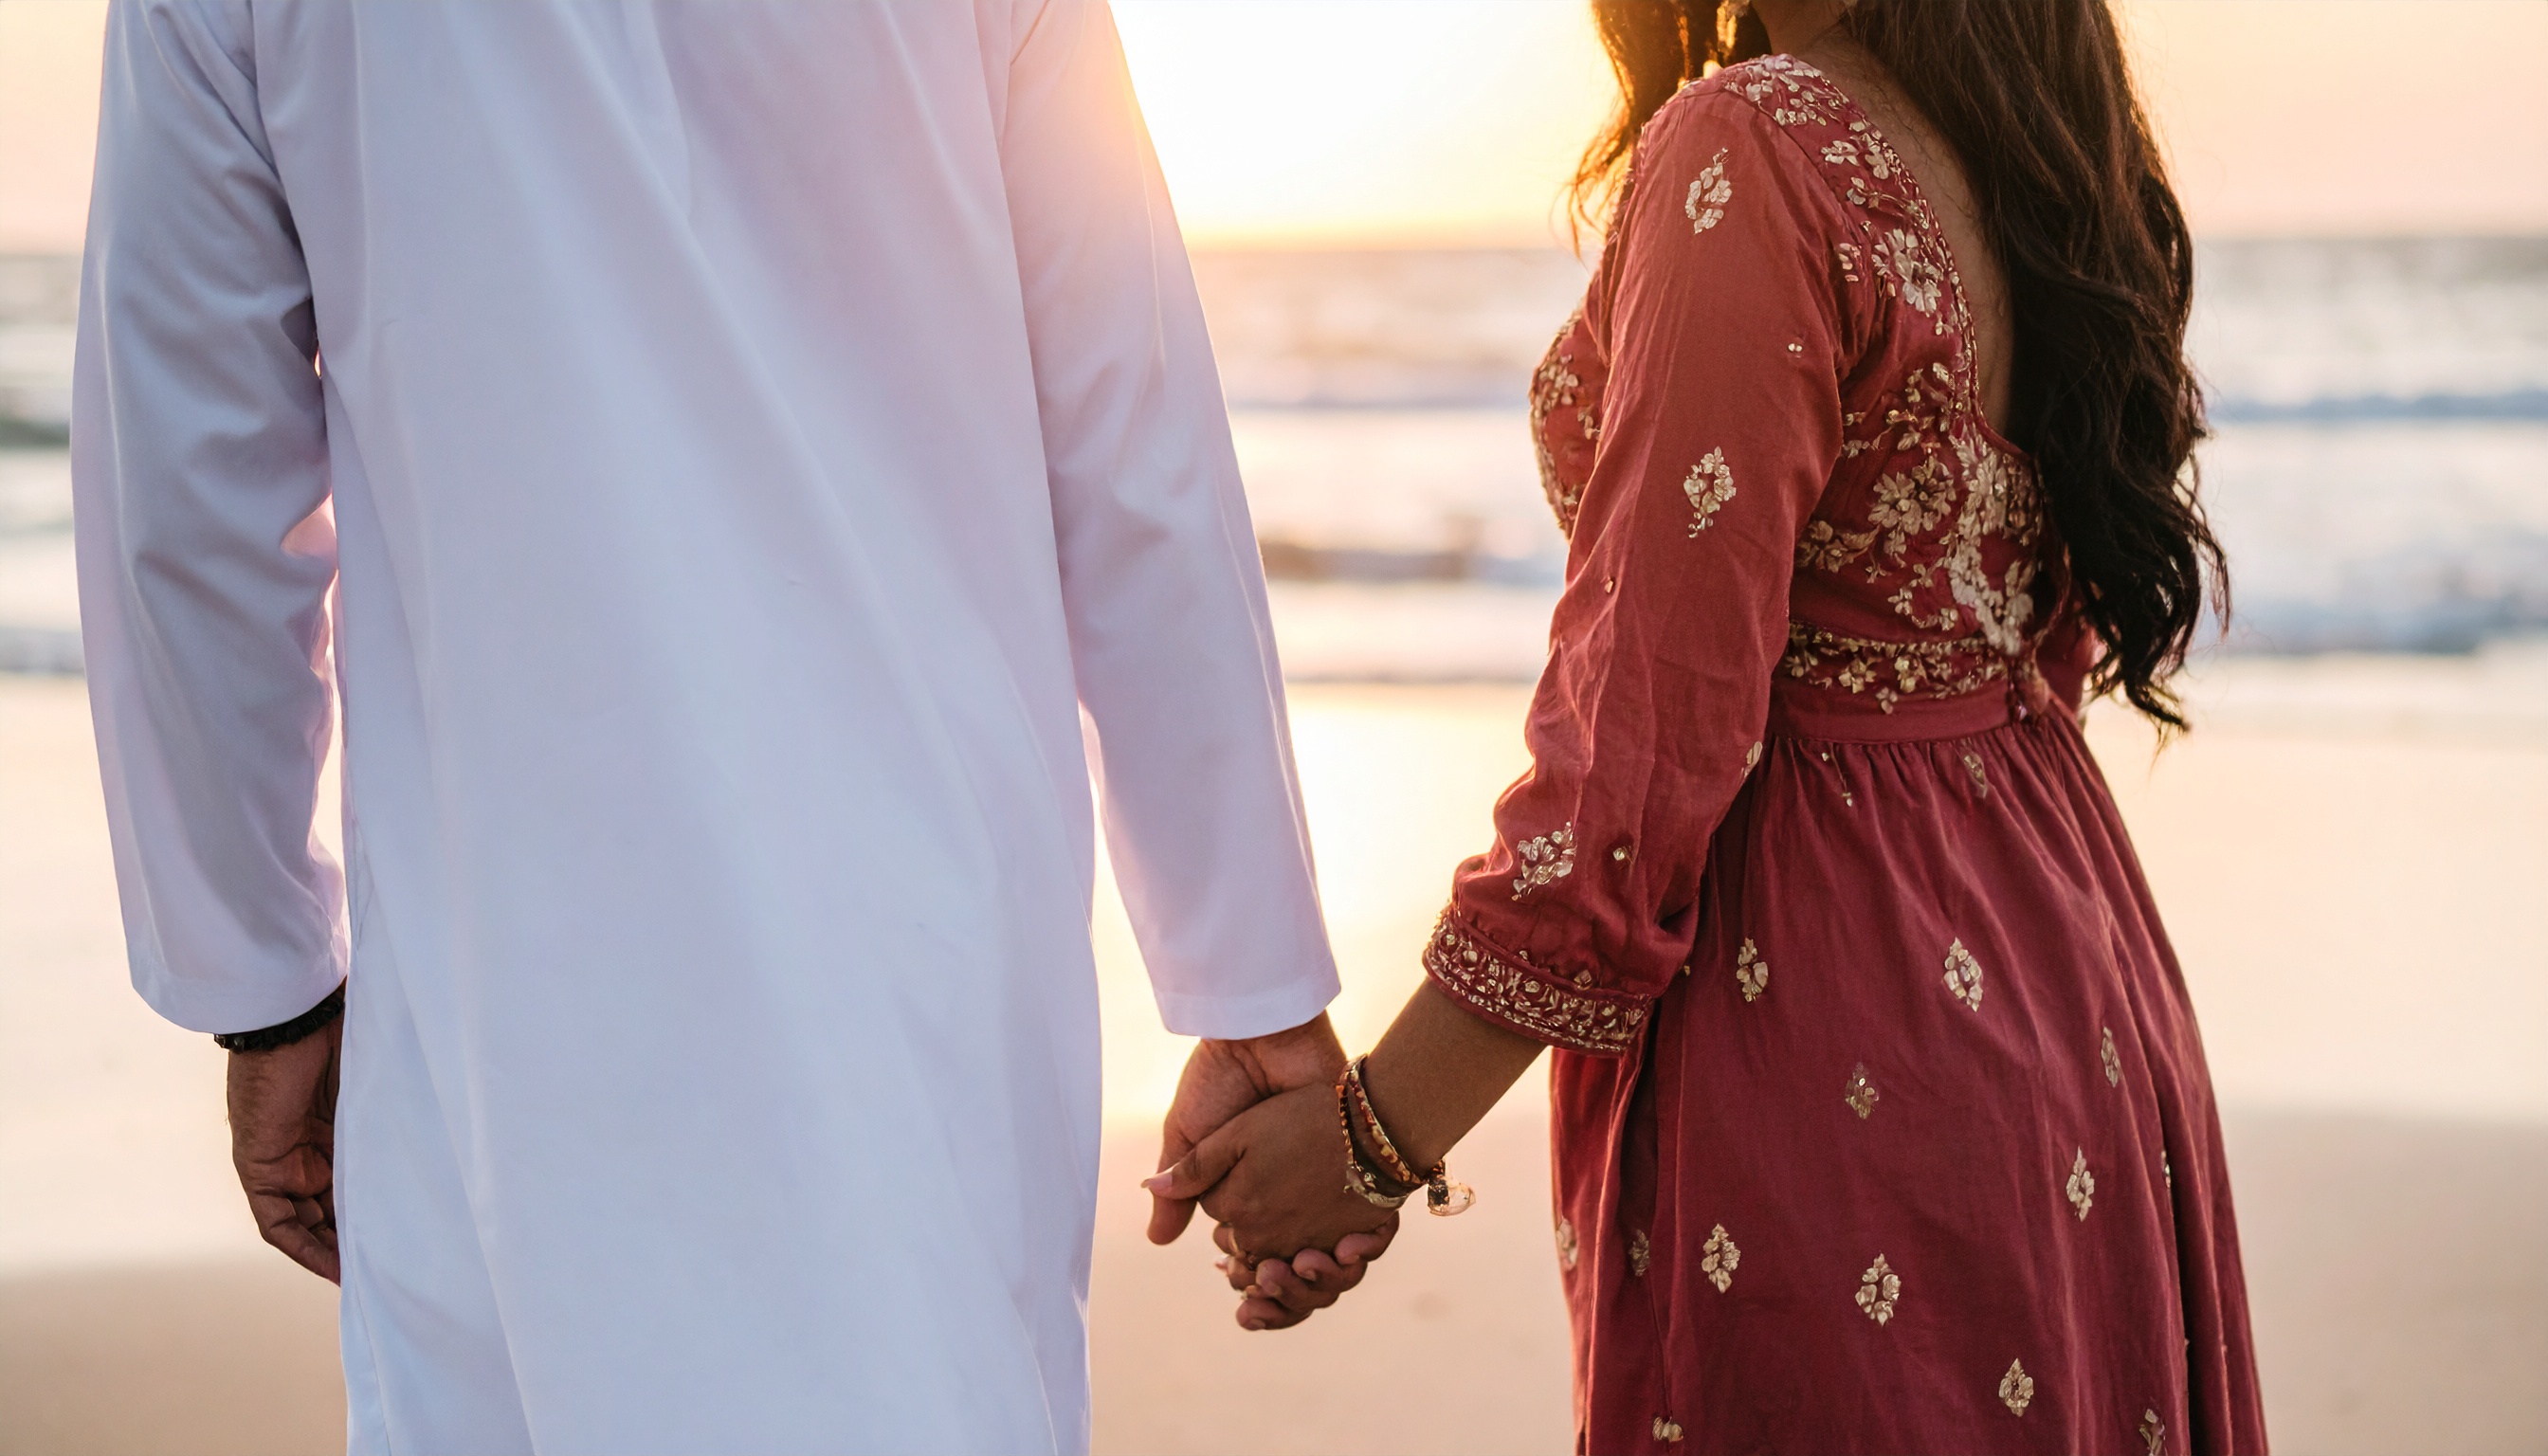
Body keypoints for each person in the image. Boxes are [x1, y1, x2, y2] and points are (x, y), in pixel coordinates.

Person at [73, 2, 1368, 1449]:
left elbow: (187, 496)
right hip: (924, 939)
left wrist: (263, 974)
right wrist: (1249, 976)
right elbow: (1135, 456)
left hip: (505, 971)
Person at [1150, 0, 2270, 1450]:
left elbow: (1635, 767)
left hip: (1818, 1001)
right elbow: (2037, 645)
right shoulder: (2037, 149)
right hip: (2074, 983)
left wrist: (1374, 1140)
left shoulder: (1752, 146)